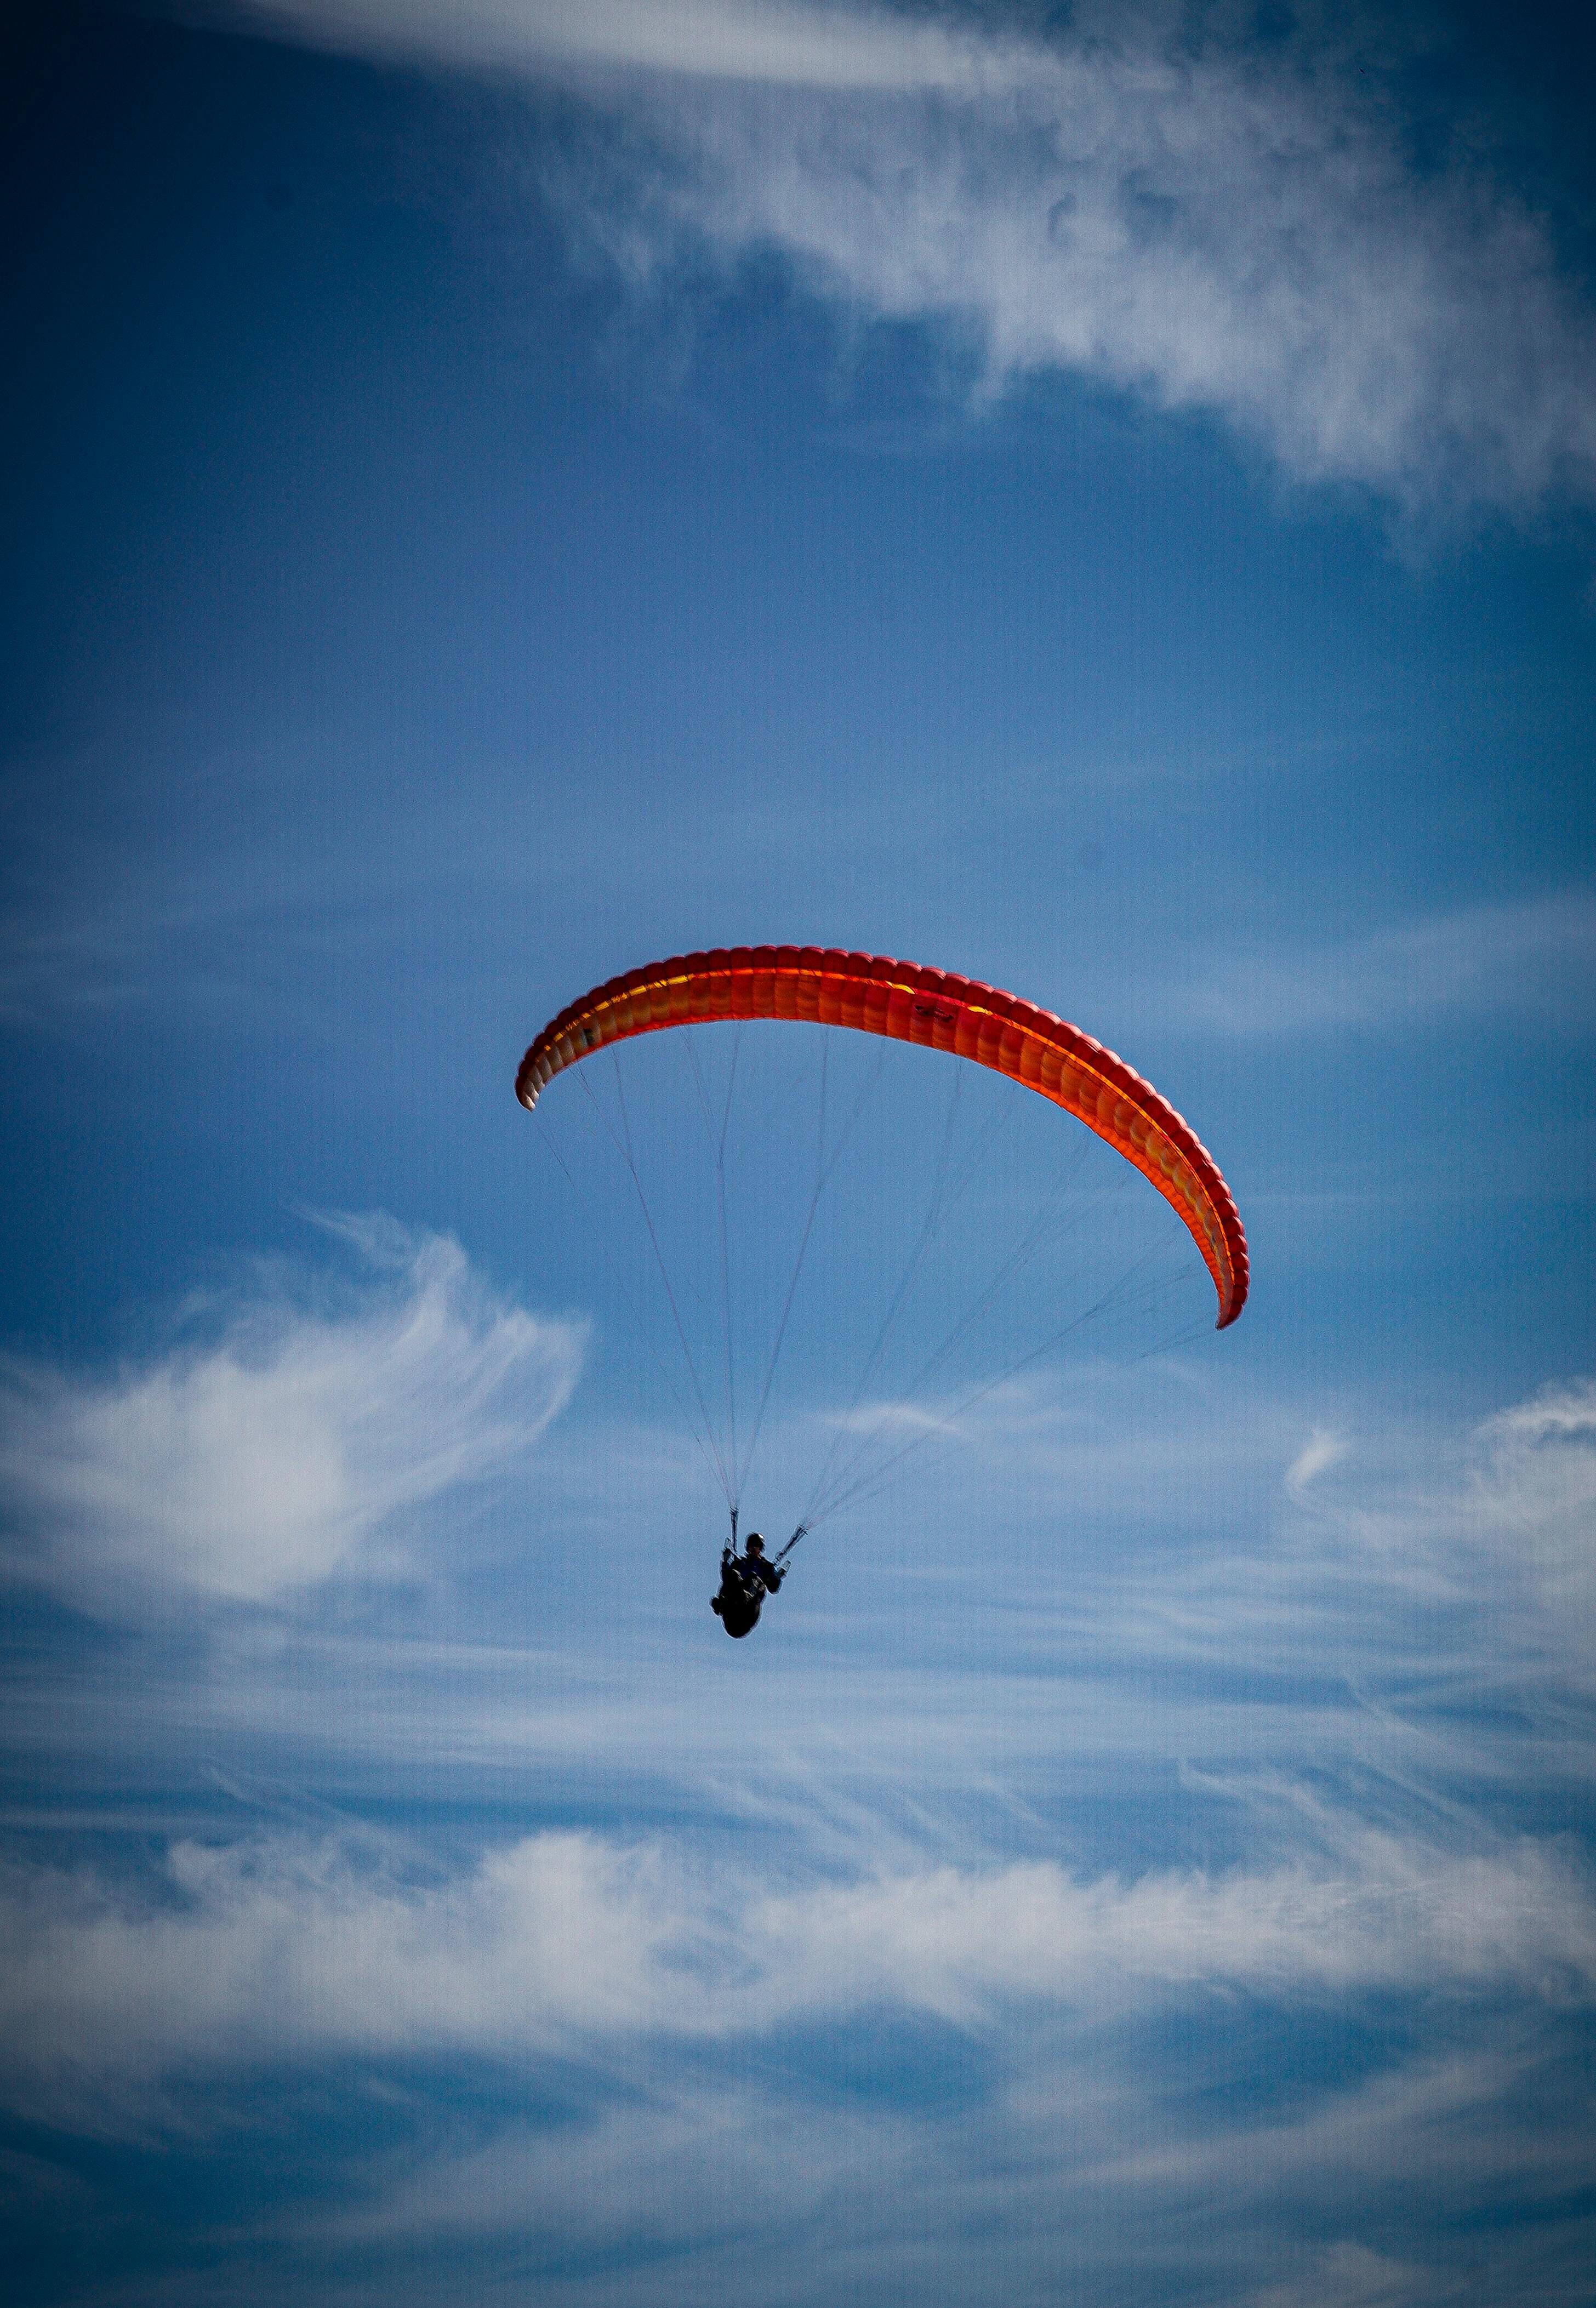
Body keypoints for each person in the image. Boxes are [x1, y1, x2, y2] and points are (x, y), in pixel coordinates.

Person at [710, 1532, 783, 1638]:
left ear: (761, 1548)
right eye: (751, 1545)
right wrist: (725, 1562)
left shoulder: (767, 1567)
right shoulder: (740, 1563)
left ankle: (746, 1598)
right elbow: (726, 1578)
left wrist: (776, 1578)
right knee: (734, 1575)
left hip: (748, 1614)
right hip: (732, 1618)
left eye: (757, 1545)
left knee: (752, 1578)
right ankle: (722, 1604)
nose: (754, 1548)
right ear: (748, 1547)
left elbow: (774, 1589)